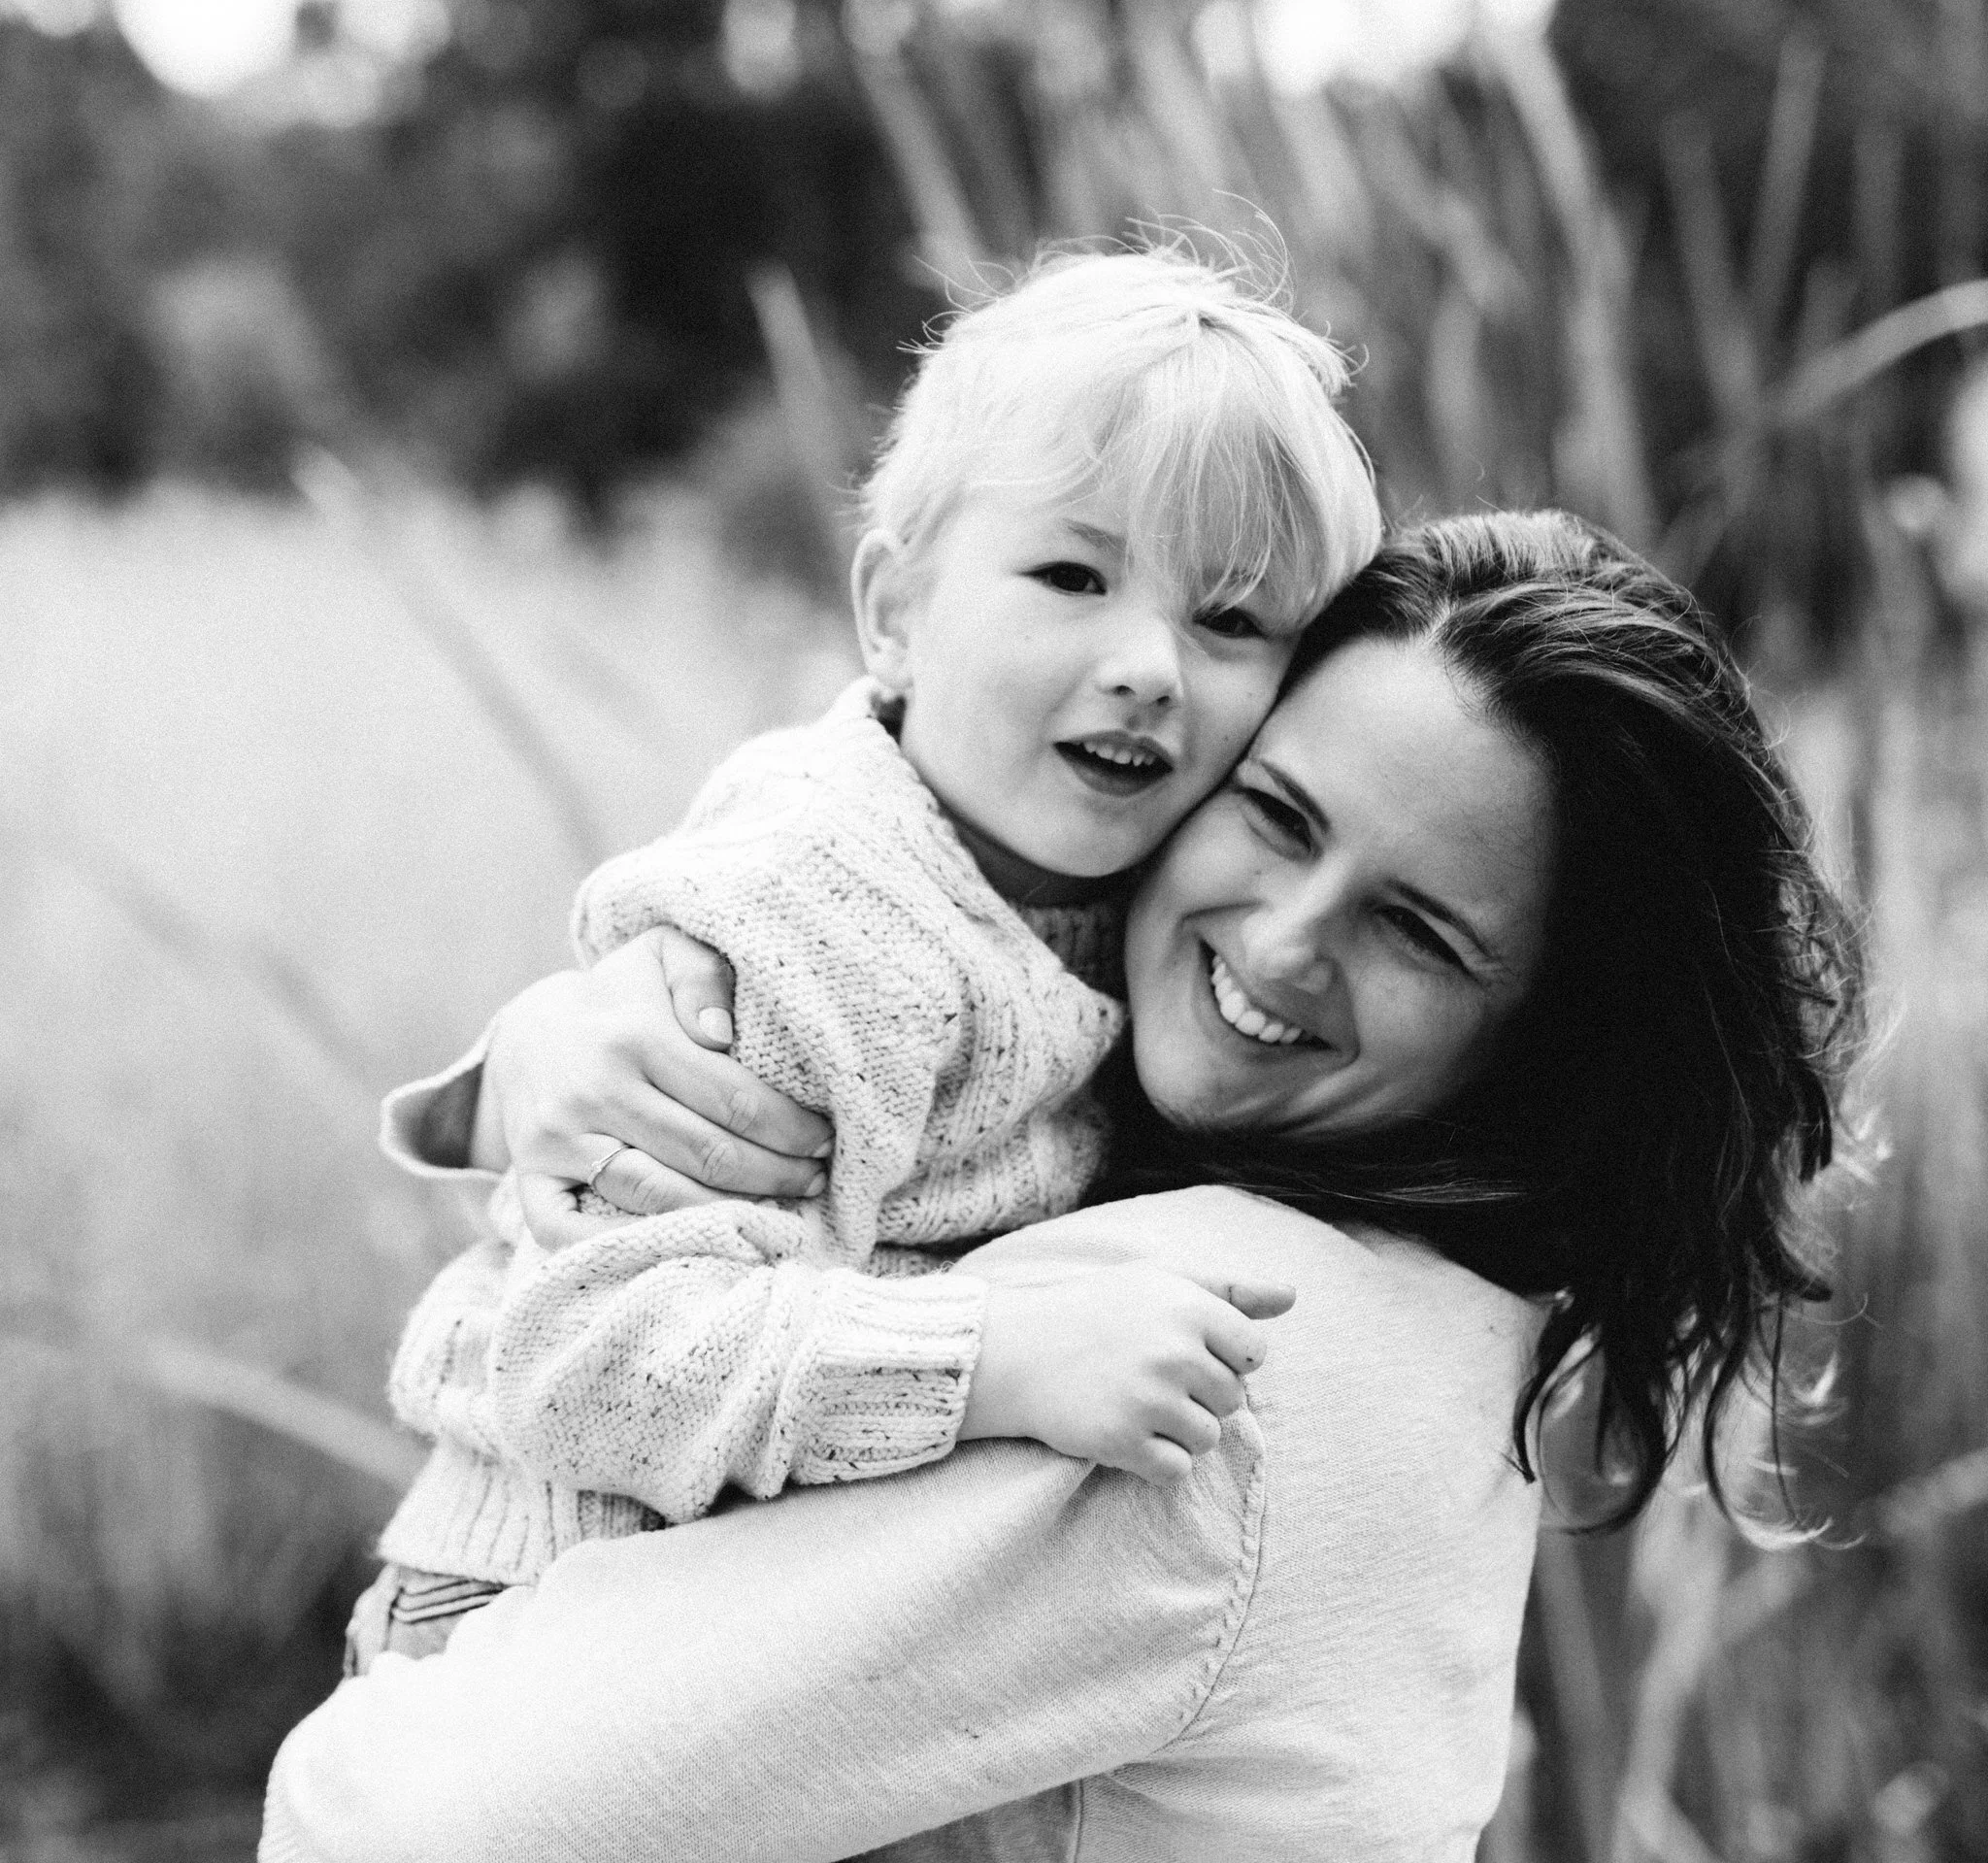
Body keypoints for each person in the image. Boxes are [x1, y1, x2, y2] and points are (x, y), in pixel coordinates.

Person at [262, 513, 1863, 1861]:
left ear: (1546, 1043)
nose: (1289, 941)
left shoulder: (1221, 1353)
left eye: (1419, 933)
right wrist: (589, 1040)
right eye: (1276, 813)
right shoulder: (1407, 1312)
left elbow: (406, 1822)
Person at [349, 243, 1385, 1663]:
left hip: (743, 1620)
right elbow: (581, 1361)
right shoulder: (825, 909)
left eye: (1231, 619)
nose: (1151, 660)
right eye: (1073, 573)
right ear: (895, 614)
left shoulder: (1123, 890)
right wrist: (998, 1361)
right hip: (538, 1617)